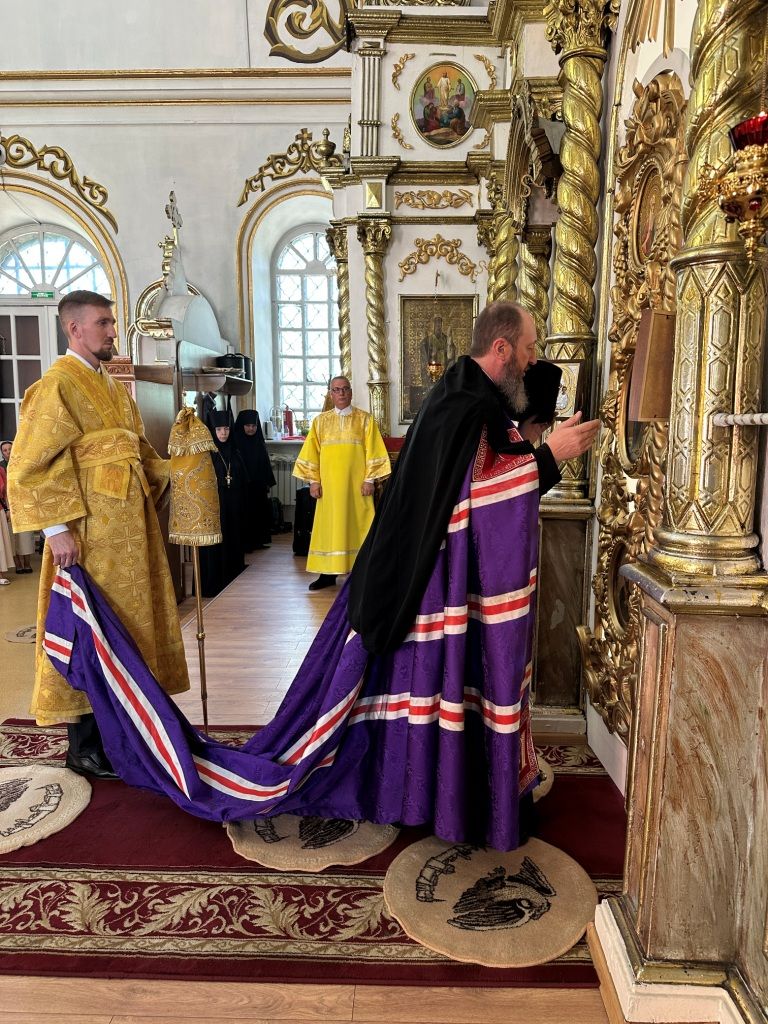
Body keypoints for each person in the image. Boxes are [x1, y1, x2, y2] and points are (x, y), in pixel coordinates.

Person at [40, 302, 600, 853]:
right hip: (426, 579)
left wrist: (535, 448)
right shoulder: (465, 402)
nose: (532, 359)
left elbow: (462, 484)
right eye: (529, 349)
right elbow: (478, 497)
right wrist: (550, 457)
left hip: (409, 562)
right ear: (501, 348)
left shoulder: (463, 395)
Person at [7, 289, 190, 778]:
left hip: (130, 538)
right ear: (75, 329)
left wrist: (184, 467)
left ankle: (124, 732)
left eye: (112, 323)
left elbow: (139, 455)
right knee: (88, 630)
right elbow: (29, 466)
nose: (113, 332)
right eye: (104, 323)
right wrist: (56, 530)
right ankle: (84, 746)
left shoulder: (112, 386)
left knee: (125, 632)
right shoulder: (55, 386)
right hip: (86, 537)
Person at [293, 376, 390, 591]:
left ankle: (362, 574)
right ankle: (327, 575)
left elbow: (373, 451)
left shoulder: (365, 420)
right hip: (329, 489)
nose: (342, 393)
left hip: (357, 488)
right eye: (336, 390)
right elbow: (312, 454)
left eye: (345, 389)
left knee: (360, 527)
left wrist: (369, 480)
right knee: (329, 528)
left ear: (351, 392)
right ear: (331, 394)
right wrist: (314, 482)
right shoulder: (320, 422)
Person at [199, 410, 248, 597]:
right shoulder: (207, 454)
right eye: (219, 429)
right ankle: (215, 581)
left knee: (232, 535)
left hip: (233, 503)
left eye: (226, 429)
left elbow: (243, 478)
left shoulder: (235, 451)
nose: (223, 433)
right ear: (213, 431)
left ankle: (233, 577)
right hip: (214, 503)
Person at [233, 409, 275, 552]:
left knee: (259, 512)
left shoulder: (258, 440)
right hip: (243, 486)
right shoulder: (236, 442)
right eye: (248, 426)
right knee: (245, 513)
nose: (251, 429)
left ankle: (259, 541)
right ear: (242, 426)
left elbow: (265, 462)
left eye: (254, 426)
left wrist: (267, 482)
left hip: (258, 485)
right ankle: (246, 544)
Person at [0, 440, 34, 573]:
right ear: (2, 453)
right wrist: (6, 508)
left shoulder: (23, 463)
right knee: (12, 533)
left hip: (24, 500)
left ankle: (27, 562)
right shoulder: (1, 467)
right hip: (8, 502)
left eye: (10, 449)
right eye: (5, 450)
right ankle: (18, 563)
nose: (8, 452)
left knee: (26, 534)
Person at [0, 466, 14, 586]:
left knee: (0, 543)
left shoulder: (0, 470)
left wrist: (8, 509)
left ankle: (0, 573)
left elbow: (6, 492)